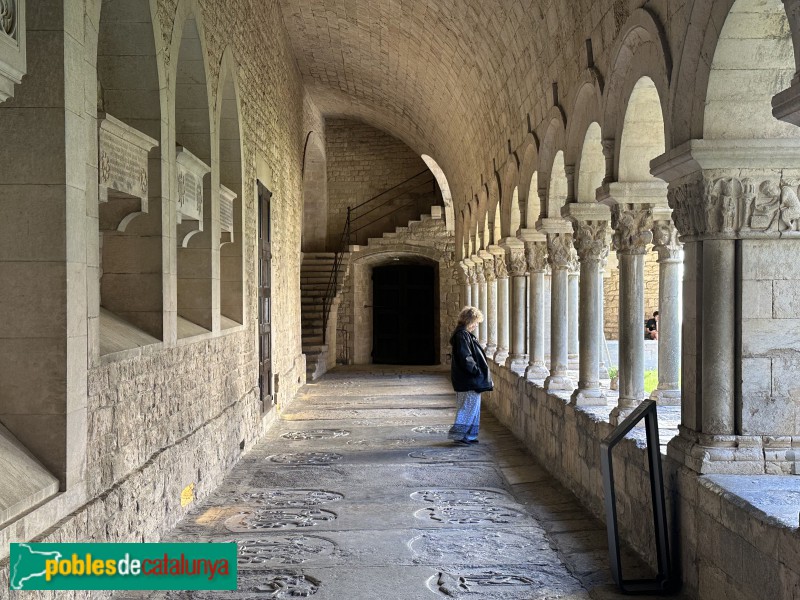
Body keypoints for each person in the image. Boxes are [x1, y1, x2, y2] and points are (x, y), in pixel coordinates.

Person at [448, 306, 493, 445]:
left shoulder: (463, 334)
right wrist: (476, 371)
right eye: (475, 322)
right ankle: (460, 436)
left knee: (472, 407)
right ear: (469, 320)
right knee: (467, 407)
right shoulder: (462, 335)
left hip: (467, 379)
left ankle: (468, 436)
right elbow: (465, 356)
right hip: (468, 379)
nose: (475, 326)